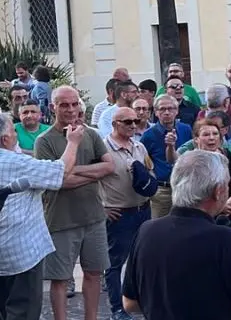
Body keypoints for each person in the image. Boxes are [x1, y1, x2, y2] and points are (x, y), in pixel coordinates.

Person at [0, 114, 84, 320]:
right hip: (19, 256)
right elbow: (62, 170)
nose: (16, 136)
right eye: (14, 132)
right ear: (5, 139)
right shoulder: (17, 163)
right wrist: (73, 142)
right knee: (23, 313)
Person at [122, 150, 231, 320]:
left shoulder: (146, 231)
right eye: (227, 184)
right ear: (218, 191)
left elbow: (130, 303)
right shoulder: (223, 239)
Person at [36, 86, 117, 320]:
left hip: (93, 216)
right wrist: (89, 173)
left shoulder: (90, 134)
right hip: (61, 220)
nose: (71, 109)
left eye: (74, 104)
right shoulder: (45, 141)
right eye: (64, 105)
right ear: (53, 107)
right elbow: (57, 182)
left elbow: (109, 166)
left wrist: (71, 170)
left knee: (94, 273)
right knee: (61, 278)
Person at [99, 106, 152, 320]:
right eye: (127, 122)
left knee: (142, 259)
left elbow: (150, 171)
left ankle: (140, 301)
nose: (133, 125)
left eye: (135, 121)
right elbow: (91, 180)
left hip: (142, 210)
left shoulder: (139, 146)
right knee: (114, 263)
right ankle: (117, 308)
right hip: (119, 214)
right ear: (114, 124)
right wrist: (101, 206)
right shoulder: (102, 149)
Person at [139, 95, 193, 219]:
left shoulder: (186, 129)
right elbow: (142, 161)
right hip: (162, 191)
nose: (167, 112)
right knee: (159, 229)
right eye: (162, 109)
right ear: (156, 112)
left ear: (177, 111)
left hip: (185, 187)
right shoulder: (148, 136)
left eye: (171, 108)